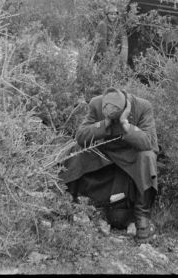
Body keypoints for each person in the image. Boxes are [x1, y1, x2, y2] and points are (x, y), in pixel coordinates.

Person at [60, 87, 158, 240]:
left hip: (130, 157)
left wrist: (125, 124)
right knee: (76, 149)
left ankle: (142, 218)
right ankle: (66, 201)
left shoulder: (143, 107)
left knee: (147, 156)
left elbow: (148, 143)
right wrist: (105, 123)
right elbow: (81, 135)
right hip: (103, 154)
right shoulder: (96, 103)